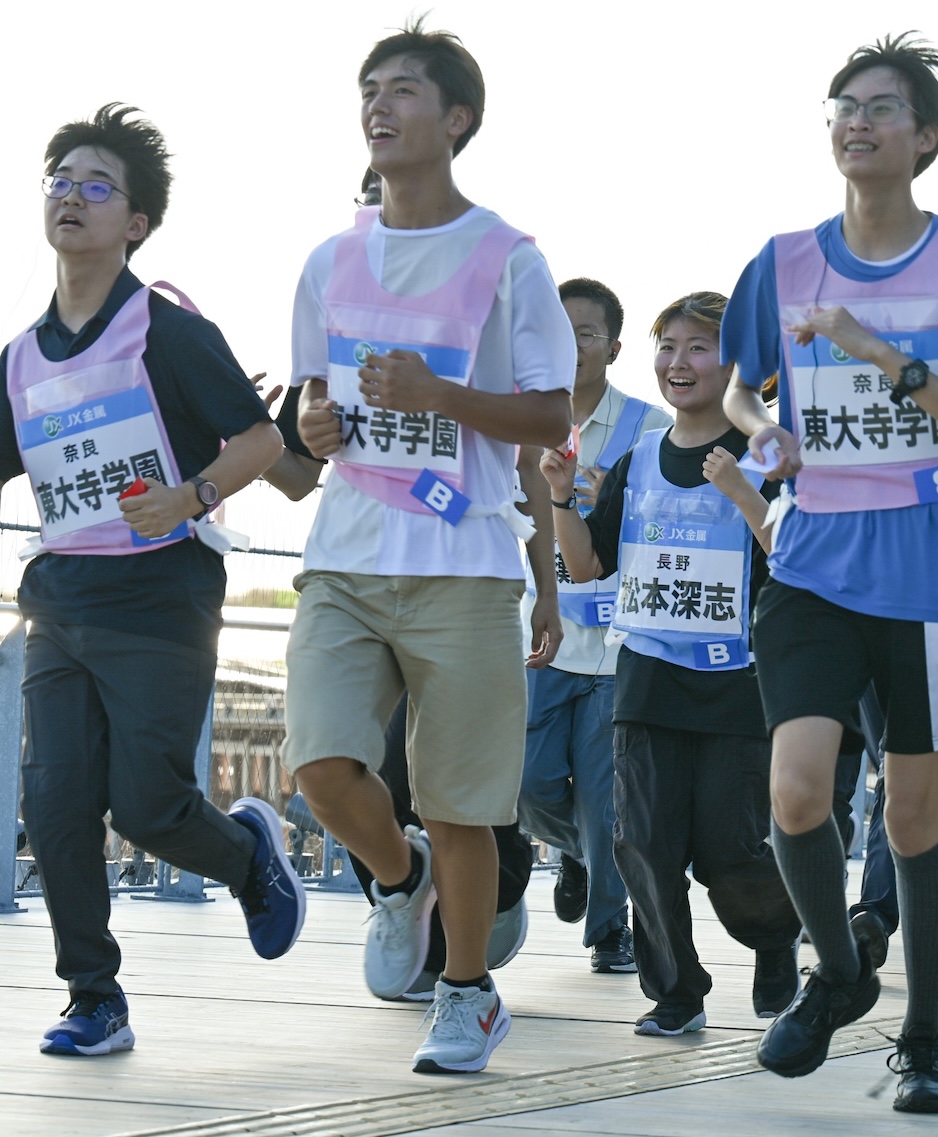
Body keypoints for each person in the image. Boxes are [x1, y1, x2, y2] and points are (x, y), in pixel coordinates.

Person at [721, 33, 938, 1113]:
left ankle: (926, 1036)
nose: (856, 121)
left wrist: (880, 355)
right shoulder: (783, 259)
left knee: (912, 818)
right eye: (842, 105)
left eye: (880, 108)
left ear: (926, 137)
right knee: (797, 792)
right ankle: (843, 973)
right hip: (812, 561)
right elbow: (737, 393)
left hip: (937, 568)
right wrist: (770, 439)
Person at [284, 21, 573, 1075]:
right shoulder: (331, 257)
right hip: (347, 552)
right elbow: (317, 399)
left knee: (461, 803)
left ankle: (465, 994)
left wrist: (439, 394)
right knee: (316, 763)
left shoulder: (508, 258)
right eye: (369, 87)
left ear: (455, 119)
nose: (379, 103)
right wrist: (316, 427)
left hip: (466, 561)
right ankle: (394, 881)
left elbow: (549, 418)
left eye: (403, 88)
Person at [1, 104, 300, 1055]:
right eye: (60, 181)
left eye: (97, 185)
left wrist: (191, 495)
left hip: (162, 603)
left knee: (148, 805)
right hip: (60, 602)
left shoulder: (163, 331)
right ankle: (96, 997)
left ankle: (249, 854)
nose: (72, 198)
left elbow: (260, 438)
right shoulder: (19, 360)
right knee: (51, 807)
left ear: (135, 221)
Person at [541, 291, 803, 1036]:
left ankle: (777, 933)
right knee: (643, 847)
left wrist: (743, 492)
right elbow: (588, 565)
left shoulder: (766, 459)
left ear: (737, 367)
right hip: (649, 679)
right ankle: (676, 991)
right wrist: (562, 497)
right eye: (668, 347)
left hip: (738, 688)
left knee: (731, 853)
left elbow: (791, 555)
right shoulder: (640, 457)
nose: (677, 363)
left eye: (697, 348)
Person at [519, 278, 672, 974]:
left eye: (585, 333)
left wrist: (602, 495)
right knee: (525, 782)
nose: (571, 344)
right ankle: (577, 852)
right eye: (558, 330)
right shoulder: (520, 422)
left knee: (611, 800)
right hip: (538, 638)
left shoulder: (648, 428)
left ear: (612, 347)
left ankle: (610, 930)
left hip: (616, 645)